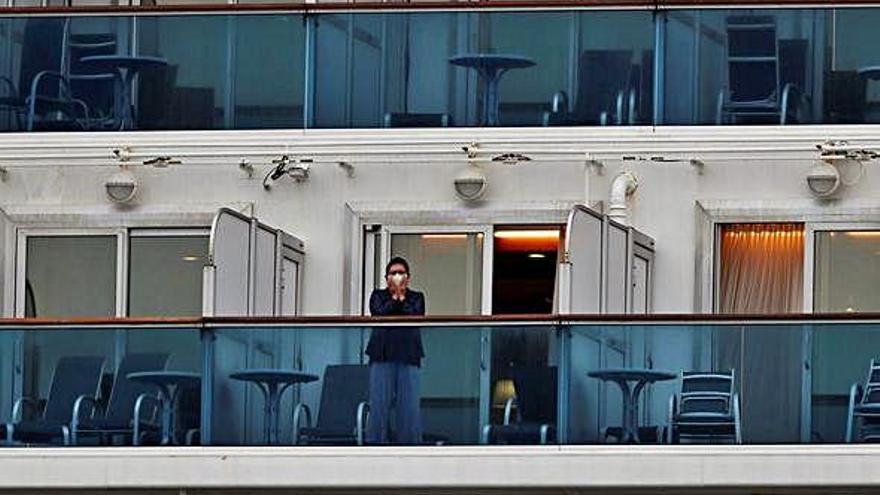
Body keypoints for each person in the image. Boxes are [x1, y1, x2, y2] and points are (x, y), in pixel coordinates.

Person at [366, 256, 425, 445]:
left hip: (409, 355)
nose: (397, 276)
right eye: (393, 273)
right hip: (382, 355)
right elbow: (379, 313)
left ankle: (409, 447)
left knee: (408, 407)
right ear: (386, 278)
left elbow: (414, 315)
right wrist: (395, 297)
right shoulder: (378, 296)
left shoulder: (417, 297)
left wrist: (402, 296)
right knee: (379, 405)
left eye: (401, 273)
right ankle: (376, 445)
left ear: (408, 277)